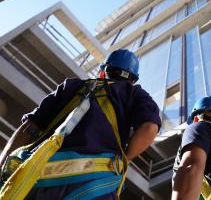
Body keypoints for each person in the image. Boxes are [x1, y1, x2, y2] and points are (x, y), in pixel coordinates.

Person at [0, 49, 161, 199]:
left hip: (34, 177)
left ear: (103, 71)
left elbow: (28, 128)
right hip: (95, 186)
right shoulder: (135, 94)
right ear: (132, 79)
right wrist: (125, 159)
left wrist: (3, 164)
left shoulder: (71, 86)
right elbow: (149, 128)